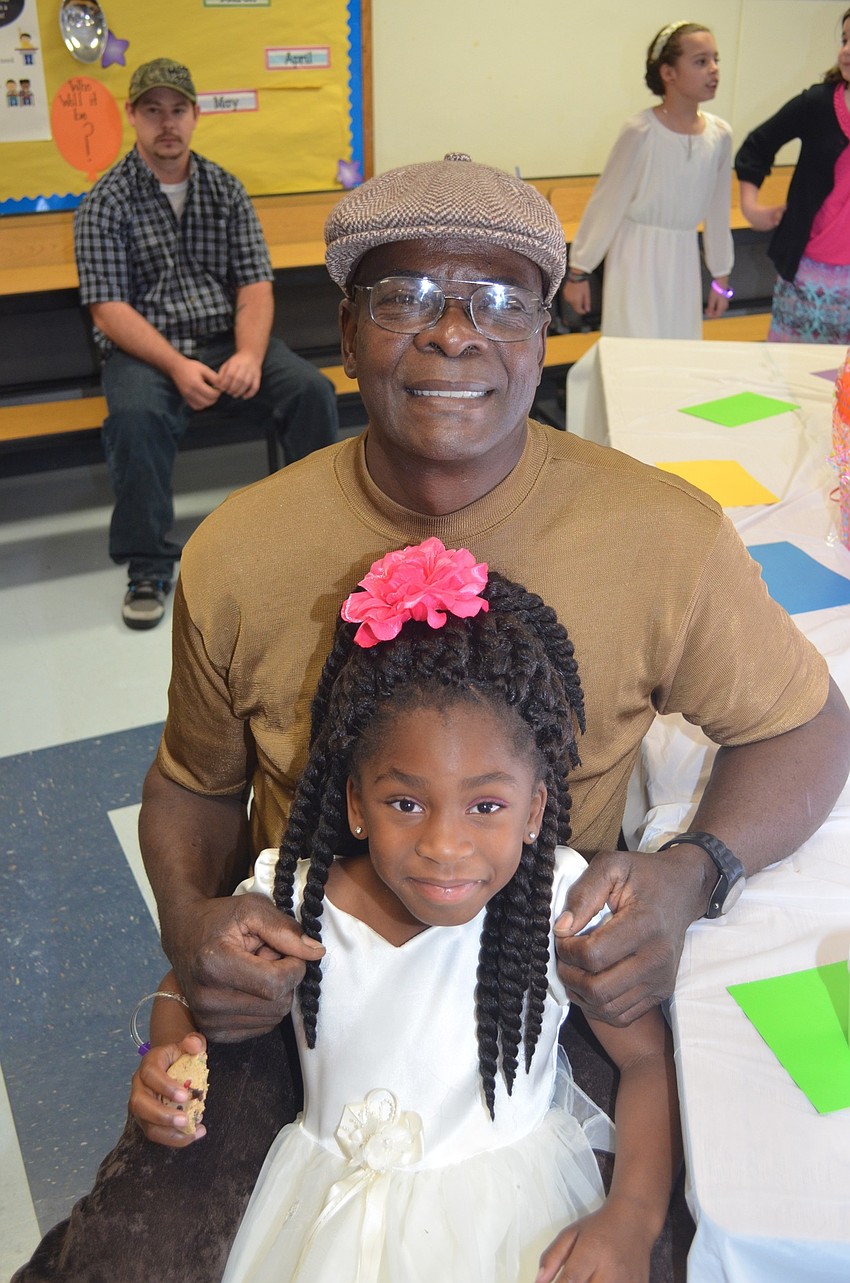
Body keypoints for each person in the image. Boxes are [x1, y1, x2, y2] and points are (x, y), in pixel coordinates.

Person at [14, 152, 849, 1283]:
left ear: (544, 333)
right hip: (303, 994)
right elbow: (194, 782)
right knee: (119, 1259)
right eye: (405, 297)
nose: (455, 332)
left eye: (502, 301)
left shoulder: (661, 537)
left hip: (536, 990)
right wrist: (189, 926)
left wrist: (694, 869)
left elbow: (805, 724)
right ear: (348, 333)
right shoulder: (241, 552)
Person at [130, 542, 681, 1283]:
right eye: (405, 802)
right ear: (356, 804)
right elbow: (188, 980)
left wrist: (634, 1216)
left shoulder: (557, 904)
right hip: (322, 1229)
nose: (445, 844)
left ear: (534, 809)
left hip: (515, 1224)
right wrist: (168, 1059)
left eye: (487, 804)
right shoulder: (297, 896)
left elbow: (646, 1058)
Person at [73, 57, 339, 630]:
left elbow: (255, 283)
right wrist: (174, 366)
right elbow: (108, 306)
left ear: (194, 115)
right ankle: (147, 564)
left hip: (227, 338)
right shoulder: (105, 200)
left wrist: (247, 354)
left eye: (177, 110)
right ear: (132, 117)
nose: (166, 123)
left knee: (310, 390)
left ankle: (321, 536)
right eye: (152, 111)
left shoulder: (224, 189)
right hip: (147, 351)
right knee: (136, 418)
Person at [562, 21, 734, 338]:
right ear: (668, 73)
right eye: (700, 61)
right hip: (635, 258)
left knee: (678, 348)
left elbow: (718, 209)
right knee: (633, 345)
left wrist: (721, 275)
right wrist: (579, 271)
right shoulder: (640, 131)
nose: (713, 70)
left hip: (683, 258)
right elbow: (607, 202)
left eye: (716, 60)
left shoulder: (720, 135)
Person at [735, 7, 850, 343]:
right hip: (809, 272)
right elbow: (757, 146)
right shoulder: (818, 104)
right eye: (844, 39)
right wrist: (751, 207)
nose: (845, 49)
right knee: (793, 374)